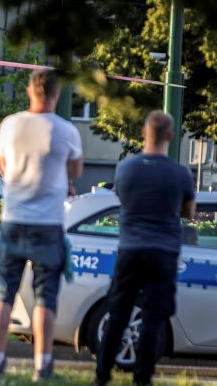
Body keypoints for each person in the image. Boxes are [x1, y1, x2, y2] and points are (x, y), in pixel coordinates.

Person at [0, 69, 83, 382]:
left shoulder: (9, 124)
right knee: (45, 298)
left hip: (13, 220)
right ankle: (42, 367)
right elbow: (75, 171)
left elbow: (4, 167)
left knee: (3, 293)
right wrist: (61, 180)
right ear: (56, 95)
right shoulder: (66, 130)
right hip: (48, 224)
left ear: (30, 91)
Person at [94, 111, 195, 386]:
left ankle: (102, 375)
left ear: (143, 132)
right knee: (153, 317)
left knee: (118, 313)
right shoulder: (180, 173)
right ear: (171, 136)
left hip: (130, 249)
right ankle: (143, 378)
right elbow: (188, 211)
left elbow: (122, 200)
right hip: (163, 252)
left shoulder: (126, 168)